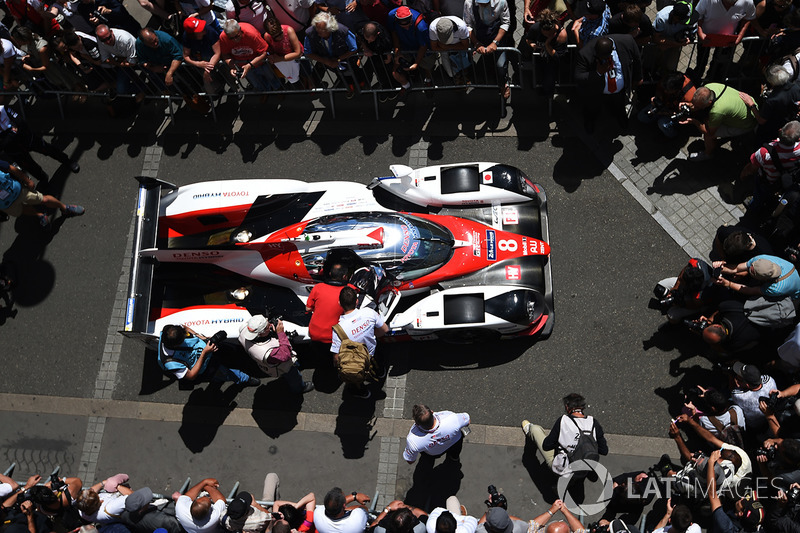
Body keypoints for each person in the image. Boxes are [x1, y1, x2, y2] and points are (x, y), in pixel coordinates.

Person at [521, 392, 609, 477]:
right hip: (582, 470)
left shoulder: (563, 421)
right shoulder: (593, 423)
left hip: (562, 468)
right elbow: (604, 451)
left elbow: (546, 446)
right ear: (583, 408)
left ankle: (529, 429)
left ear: (567, 407)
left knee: (535, 429)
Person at [574, 34, 642, 133]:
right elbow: (578, 76)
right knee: (592, 108)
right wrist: (598, 73)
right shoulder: (585, 54)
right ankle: (590, 122)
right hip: (597, 90)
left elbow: (637, 59)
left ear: (612, 50)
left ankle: (621, 118)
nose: (604, 59)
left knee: (619, 105)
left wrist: (638, 77)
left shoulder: (627, 41)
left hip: (619, 90)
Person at [330, 285, 388, 398]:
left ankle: (362, 392)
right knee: (379, 365)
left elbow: (336, 358)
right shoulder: (368, 312)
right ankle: (380, 373)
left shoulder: (338, 329)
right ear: (357, 301)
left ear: (340, 304)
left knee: (355, 379)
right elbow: (384, 330)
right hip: (372, 353)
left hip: (356, 362)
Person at [157, 323, 260, 386]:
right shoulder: (170, 362)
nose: (186, 336)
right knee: (226, 373)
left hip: (209, 348)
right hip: (206, 366)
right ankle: (245, 379)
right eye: (183, 339)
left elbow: (184, 328)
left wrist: (201, 337)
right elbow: (191, 375)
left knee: (232, 351)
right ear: (176, 345)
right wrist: (204, 353)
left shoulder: (169, 330)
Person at [0, 104, 79, 182]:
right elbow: (2, 145)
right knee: (30, 167)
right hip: (15, 151)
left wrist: (7, 136)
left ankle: (67, 161)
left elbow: (21, 123)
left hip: (28, 139)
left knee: (48, 149)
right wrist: (13, 132)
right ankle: (43, 179)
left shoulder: (4, 109)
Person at [237, 314, 314, 393]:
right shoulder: (267, 352)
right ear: (260, 333)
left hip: (265, 365)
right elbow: (285, 355)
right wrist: (281, 333)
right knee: (294, 376)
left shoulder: (243, 330)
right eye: (268, 326)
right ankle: (300, 388)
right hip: (282, 367)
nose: (270, 325)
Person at [681, 83, 758, 161]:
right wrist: (688, 106)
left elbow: (710, 132)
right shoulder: (709, 87)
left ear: (709, 103)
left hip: (747, 124)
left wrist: (695, 122)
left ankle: (708, 154)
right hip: (750, 108)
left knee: (708, 136)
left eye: (698, 106)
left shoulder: (717, 112)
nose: (694, 107)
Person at [0, 159, 84, 227]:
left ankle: (65, 208)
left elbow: (11, 168)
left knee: (43, 199)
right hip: (6, 205)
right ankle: (40, 215)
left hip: (18, 191)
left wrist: (27, 180)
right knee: (21, 210)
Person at [691, 0, 754, 82]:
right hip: (706, 38)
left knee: (719, 65)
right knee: (701, 61)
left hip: (727, 41)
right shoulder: (707, 1)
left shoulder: (747, 2)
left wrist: (740, 36)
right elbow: (698, 16)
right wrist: (700, 33)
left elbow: (749, 17)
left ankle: (711, 82)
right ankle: (697, 80)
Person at [304, 12, 363, 97]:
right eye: (317, 29)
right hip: (329, 63)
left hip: (347, 60)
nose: (318, 33)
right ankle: (348, 86)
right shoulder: (310, 33)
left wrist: (338, 59)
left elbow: (353, 48)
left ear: (330, 28)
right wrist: (326, 61)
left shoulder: (342, 30)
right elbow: (308, 52)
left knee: (354, 72)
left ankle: (360, 83)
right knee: (340, 74)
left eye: (322, 30)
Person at [463, 0, 511, 101]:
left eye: (486, 2)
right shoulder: (469, 3)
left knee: (501, 66)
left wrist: (495, 43)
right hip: (479, 37)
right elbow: (468, 25)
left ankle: (503, 84)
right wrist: (476, 43)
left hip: (497, 38)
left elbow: (505, 23)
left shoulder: (501, 2)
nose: (482, 5)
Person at [707, 451, 764, 533]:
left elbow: (712, 494)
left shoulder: (727, 527)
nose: (742, 498)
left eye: (743, 502)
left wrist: (711, 461)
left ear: (741, 513)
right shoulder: (753, 525)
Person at [219, 19, 281, 93]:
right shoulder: (223, 37)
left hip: (259, 62)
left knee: (271, 77)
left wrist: (250, 65)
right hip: (242, 65)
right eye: (231, 38)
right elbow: (225, 54)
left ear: (240, 30)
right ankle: (263, 92)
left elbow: (264, 53)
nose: (235, 40)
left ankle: (278, 90)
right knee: (255, 82)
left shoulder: (251, 34)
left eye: (237, 36)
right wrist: (232, 66)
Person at [388, 6, 435, 99]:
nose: (406, 27)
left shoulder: (421, 27)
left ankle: (428, 80)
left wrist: (416, 63)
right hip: (405, 46)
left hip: (421, 47)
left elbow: (423, 46)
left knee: (427, 67)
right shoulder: (391, 16)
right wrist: (397, 51)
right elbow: (393, 32)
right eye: (402, 26)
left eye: (408, 24)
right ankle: (406, 85)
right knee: (395, 71)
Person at [403, 404, 470, 467]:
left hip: (433, 453)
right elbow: (467, 421)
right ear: (432, 412)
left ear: (417, 423)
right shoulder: (451, 418)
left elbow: (410, 460)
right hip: (455, 443)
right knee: (454, 455)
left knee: (427, 462)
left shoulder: (413, 439)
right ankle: (454, 459)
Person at [637, 71, 696, 138]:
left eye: (668, 90)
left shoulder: (689, 96)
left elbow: (684, 116)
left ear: (676, 89)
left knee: (663, 124)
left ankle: (674, 135)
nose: (665, 91)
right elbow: (659, 90)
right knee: (642, 117)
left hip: (675, 113)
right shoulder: (667, 80)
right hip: (665, 105)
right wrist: (657, 99)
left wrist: (665, 113)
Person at [714, 253, 800, 299]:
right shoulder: (761, 259)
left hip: (793, 295)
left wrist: (728, 284)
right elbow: (737, 268)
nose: (748, 268)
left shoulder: (775, 288)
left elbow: (751, 291)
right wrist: (720, 268)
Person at [306, 263, 347, 346]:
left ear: (330, 274)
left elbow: (308, 308)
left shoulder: (317, 287)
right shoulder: (348, 291)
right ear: (344, 277)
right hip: (333, 337)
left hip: (314, 334)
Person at [652, 1, 697, 74]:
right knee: (654, 63)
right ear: (675, 17)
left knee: (671, 67)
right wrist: (675, 43)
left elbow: (692, 34)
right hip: (662, 43)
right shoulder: (662, 17)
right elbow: (656, 38)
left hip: (675, 44)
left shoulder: (691, 17)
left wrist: (687, 39)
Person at [119, 487, 183, 533]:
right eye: (146, 501)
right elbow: (178, 528)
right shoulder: (165, 520)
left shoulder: (124, 515)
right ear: (141, 509)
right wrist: (179, 502)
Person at [429, 16, 470, 84]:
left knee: (465, 68)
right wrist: (446, 48)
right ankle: (456, 77)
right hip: (444, 49)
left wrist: (446, 47)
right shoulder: (432, 28)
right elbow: (434, 47)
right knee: (450, 73)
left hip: (453, 46)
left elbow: (465, 45)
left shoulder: (461, 27)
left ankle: (463, 76)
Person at [264, 16, 304, 86]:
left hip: (297, 58)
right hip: (283, 60)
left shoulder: (289, 30)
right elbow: (270, 51)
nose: (279, 37)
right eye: (275, 36)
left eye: (280, 34)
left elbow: (297, 52)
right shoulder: (267, 36)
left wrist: (280, 59)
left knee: (305, 73)